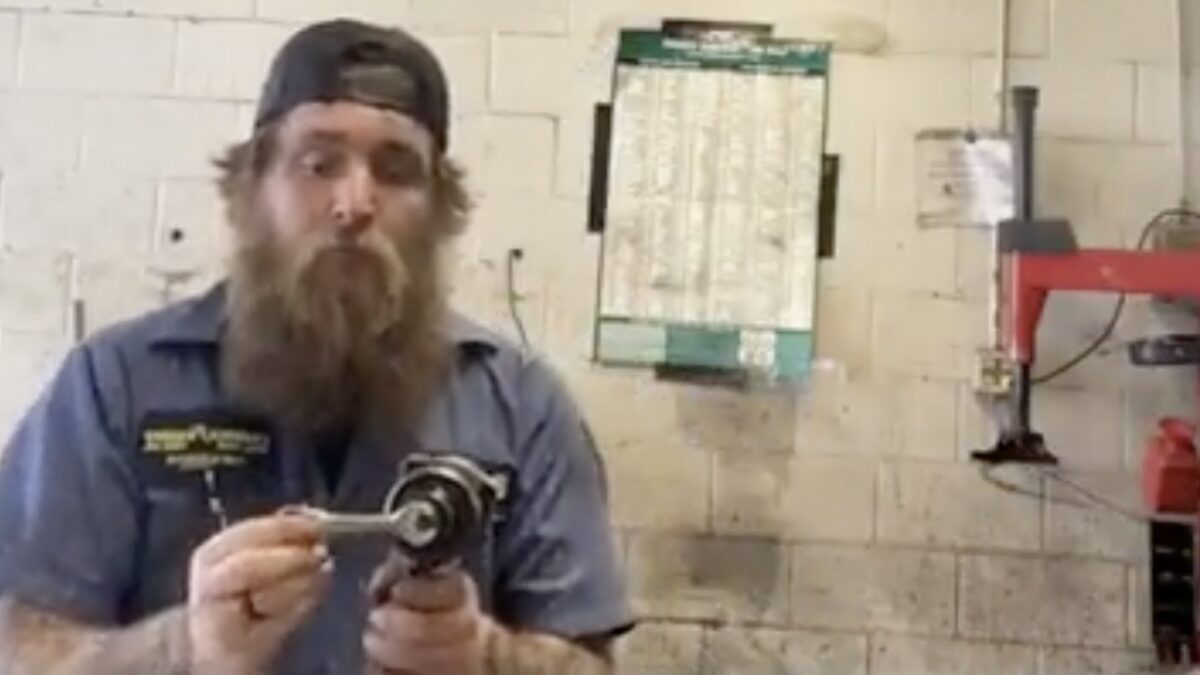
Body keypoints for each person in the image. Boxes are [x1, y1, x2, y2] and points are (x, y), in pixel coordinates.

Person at [0, 18, 632, 675]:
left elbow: (589, 663)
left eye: (396, 171)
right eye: (318, 163)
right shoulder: (114, 387)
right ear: (251, 188)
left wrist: (485, 656)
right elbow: (19, 651)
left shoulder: (522, 408)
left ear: (440, 211)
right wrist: (186, 648)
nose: (354, 203)